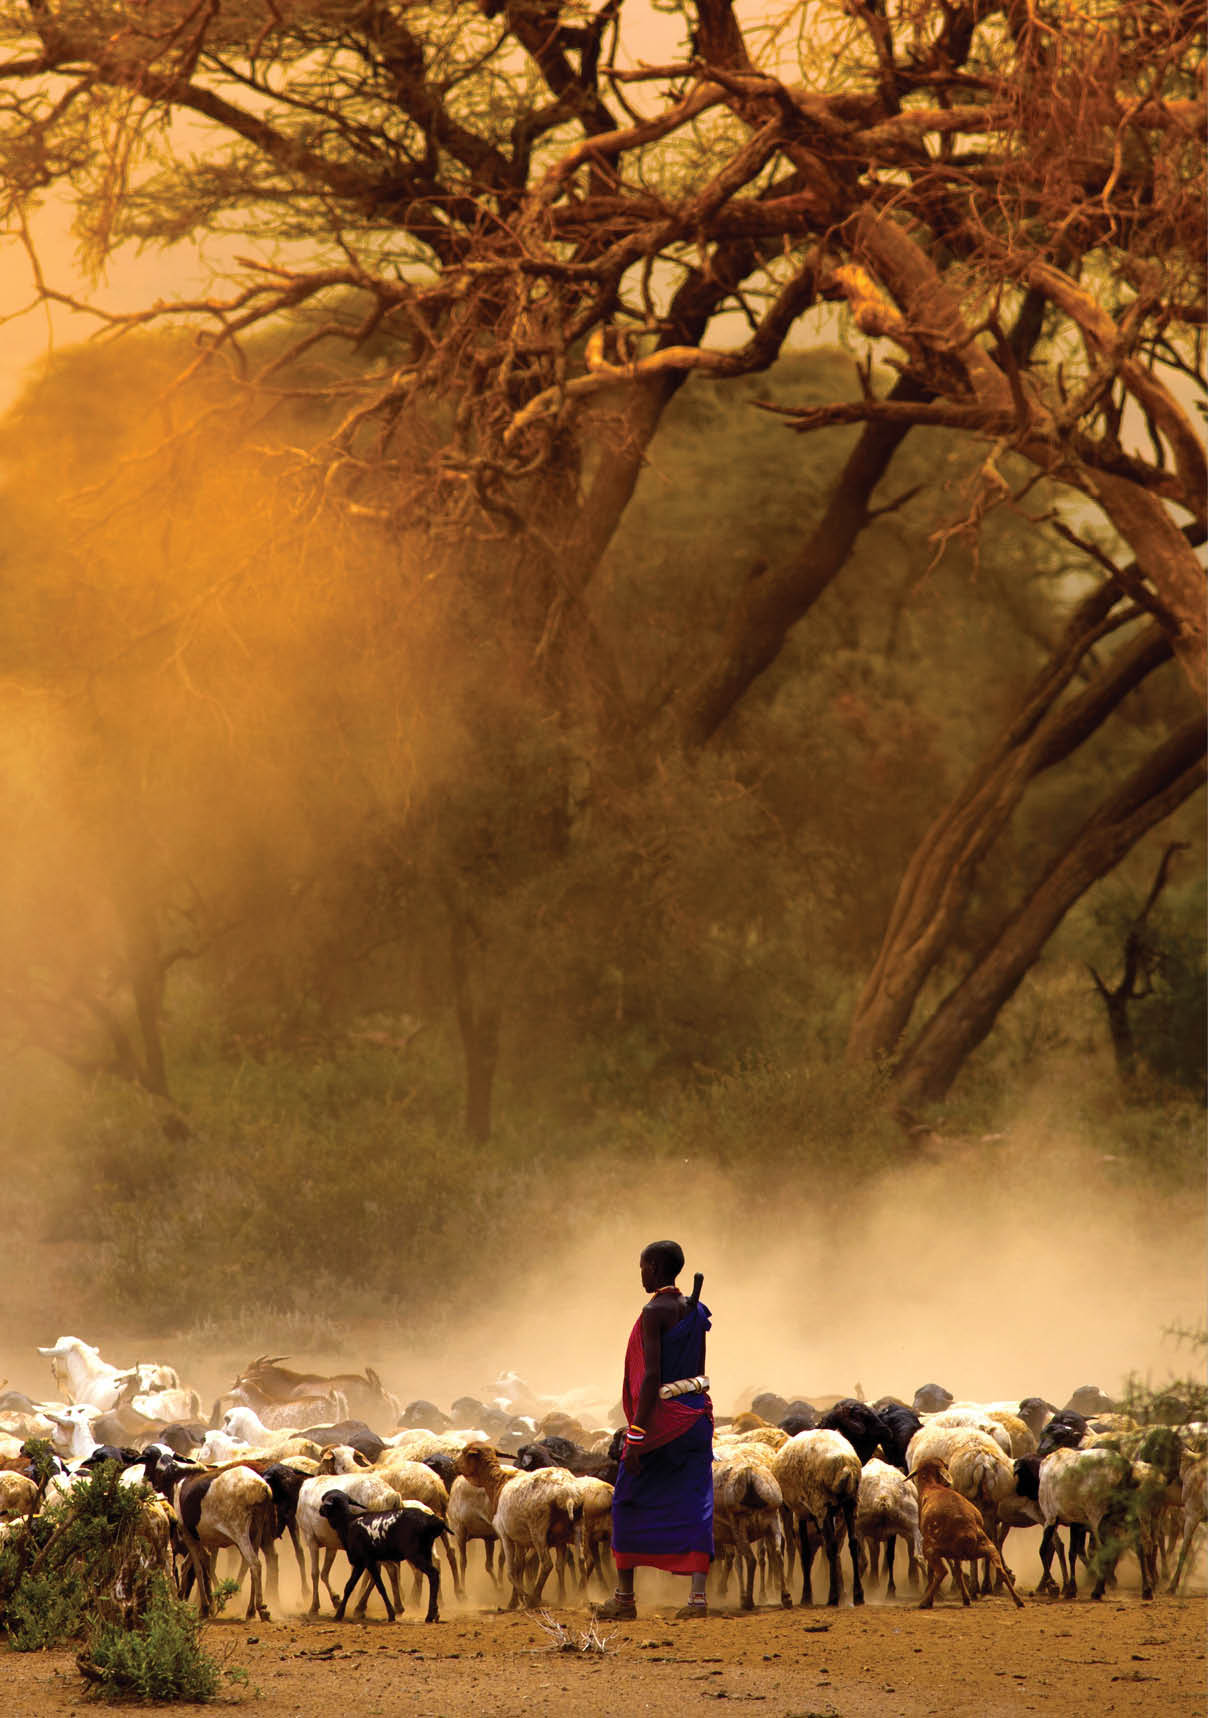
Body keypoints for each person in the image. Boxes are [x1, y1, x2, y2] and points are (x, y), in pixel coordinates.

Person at [595, 1239, 713, 1620]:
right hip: (696, 1414)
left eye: (644, 1267)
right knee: (696, 1503)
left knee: (627, 1499)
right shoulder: (695, 1311)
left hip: (662, 1420)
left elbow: (650, 1377)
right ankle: (698, 1599)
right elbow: (698, 1371)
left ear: (657, 1268)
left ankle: (624, 1598)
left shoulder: (653, 1311)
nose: (641, 1274)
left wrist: (636, 1434)